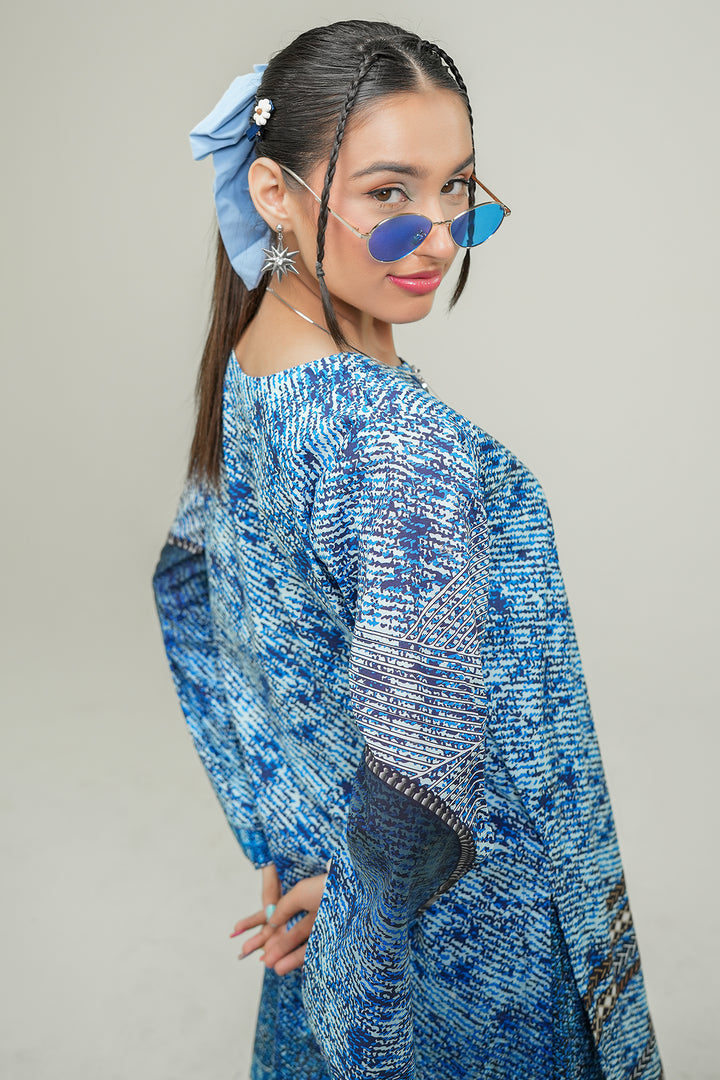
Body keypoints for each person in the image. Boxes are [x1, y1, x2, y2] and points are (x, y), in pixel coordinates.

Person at [153, 19, 663, 1080]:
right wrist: (361, 906)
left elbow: (205, 600)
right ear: (274, 193)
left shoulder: (250, 365)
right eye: (389, 194)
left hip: (344, 893)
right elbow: (422, 763)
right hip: (466, 932)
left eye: (457, 188)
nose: (434, 238)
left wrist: (296, 838)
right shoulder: (397, 441)